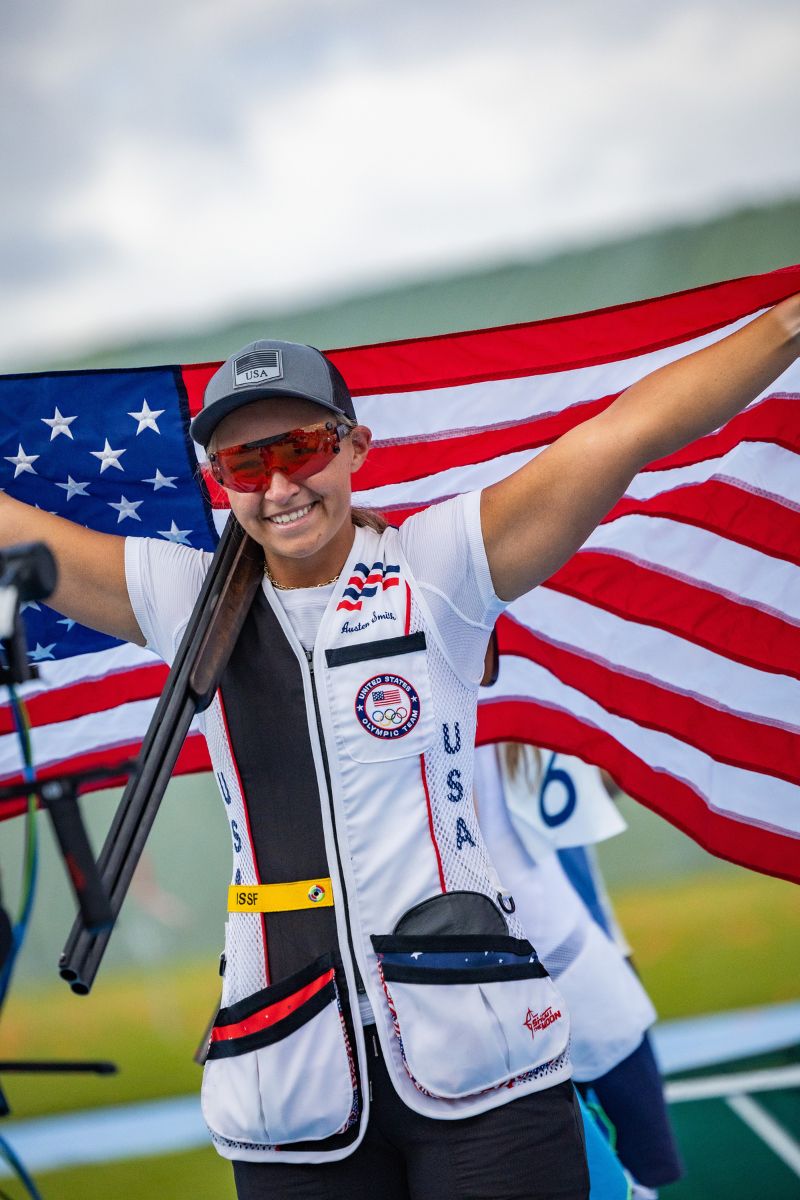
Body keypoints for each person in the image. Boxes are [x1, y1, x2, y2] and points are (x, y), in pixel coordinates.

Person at [1, 296, 798, 1199]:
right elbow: (20, 534)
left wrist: (786, 327)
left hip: (485, 1059)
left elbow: (624, 435)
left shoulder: (439, 565)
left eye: (300, 449)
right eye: (243, 464)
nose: (278, 487)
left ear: (354, 445)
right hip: (287, 1083)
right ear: (218, 478)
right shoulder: (180, 595)